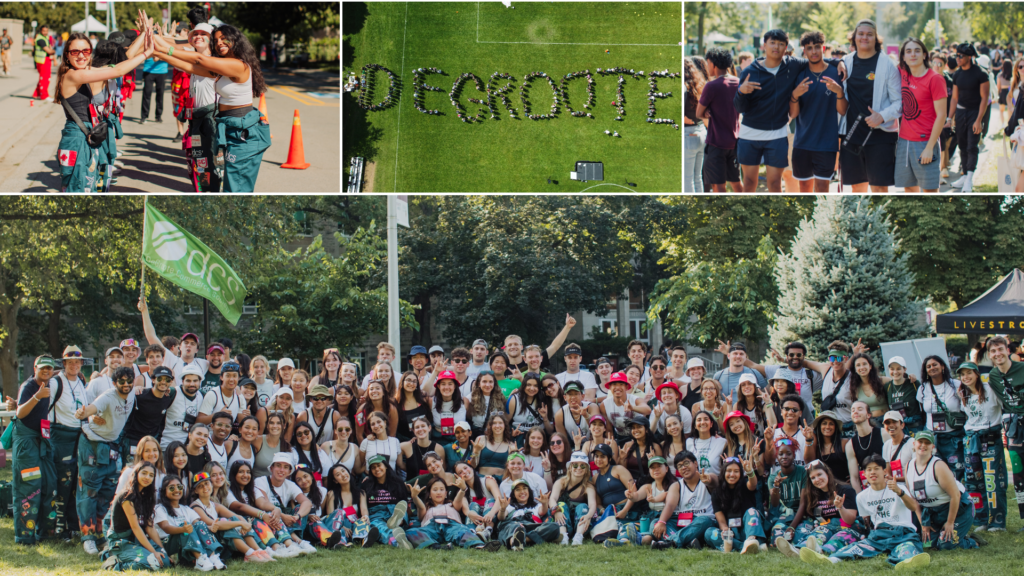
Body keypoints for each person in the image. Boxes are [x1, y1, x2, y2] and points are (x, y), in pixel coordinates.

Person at [168, 24, 270, 191]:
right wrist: (155, 52)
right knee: (203, 167)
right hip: (209, 122)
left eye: (223, 39)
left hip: (229, 125)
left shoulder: (233, 64)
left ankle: (212, 193)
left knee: (231, 184)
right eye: (216, 40)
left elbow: (198, 60)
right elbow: (191, 66)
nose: (219, 43)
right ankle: (206, 191)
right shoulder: (219, 65)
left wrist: (169, 50)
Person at [53, 25, 151, 192]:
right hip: (78, 138)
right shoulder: (73, 75)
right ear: (67, 55)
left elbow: (120, 61)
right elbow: (119, 70)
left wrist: (142, 35)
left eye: (86, 51)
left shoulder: (84, 71)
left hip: (85, 135)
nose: (81, 55)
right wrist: (147, 53)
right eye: (75, 52)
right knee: (78, 190)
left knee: (89, 187)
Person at [75, 365, 137, 552]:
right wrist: (84, 413)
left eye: (129, 381)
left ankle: (100, 533)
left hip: (112, 445)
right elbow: (92, 408)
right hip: (93, 444)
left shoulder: (134, 392)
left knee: (109, 490)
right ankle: (88, 536)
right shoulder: (108, 396)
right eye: (121, 382)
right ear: (114, 383)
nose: (126, 384)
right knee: (90, 491)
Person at [789, 30, 846, 192]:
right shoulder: (799, 74)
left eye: (817, 47)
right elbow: (793, 114)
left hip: (826, 143)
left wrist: (839, 93)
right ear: (804, 51)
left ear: (823, 48)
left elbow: (842, 111)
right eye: (809, 48)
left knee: (822, 189)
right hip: (802, 143)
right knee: (805, 189)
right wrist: (795, 95)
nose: (813, 51)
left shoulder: (836, 72)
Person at [11, 356, 59, 545]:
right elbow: (20, 413)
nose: (46, 371)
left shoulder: (49, 382)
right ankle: (25, 536)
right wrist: (37, 396)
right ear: (35, 368)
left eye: (50, 368)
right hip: (27, 443)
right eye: (43, 368)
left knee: (49, 484)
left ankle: (46, 532)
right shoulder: (30, 386)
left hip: (42, 440)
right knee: (29, 487)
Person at [905, 431, 980, 550]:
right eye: (920, 442)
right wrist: (924, 524)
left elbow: (955, 496)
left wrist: (950, 522)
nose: (923, 445)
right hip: (934, 512)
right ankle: (957, 534)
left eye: (927, 443)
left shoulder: (938, 466)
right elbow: (914, 501)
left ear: (933, 447)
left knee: (945, 545)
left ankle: (973, 541)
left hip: (958, 508)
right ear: (914, 444)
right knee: (928, 545)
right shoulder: (909, 466)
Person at [775, 460, 860, 558]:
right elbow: (815, 516)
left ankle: (819, 551)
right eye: (813, 478)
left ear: (827, 473)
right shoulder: (814, 494)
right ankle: (798, 550)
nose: (817, 479)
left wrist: (840, 507)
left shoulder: (845, 490)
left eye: (819, 474)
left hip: (848, 527)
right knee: (818, 531)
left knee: (836, 538)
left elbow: (851, 520)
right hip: (827, 526)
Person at [957, 361, 1006, 531]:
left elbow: (1003, 407)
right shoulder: (962, 393)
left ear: (977, 373)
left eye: (969, 373)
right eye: (962, 374)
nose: (966, 377)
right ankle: (981, 520)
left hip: (990, 438)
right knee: (974, 482)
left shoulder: (990, 389)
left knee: (993, 481)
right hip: (971, 441)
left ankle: (997, 521)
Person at [895, 38, 947, 192]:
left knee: (929, 191)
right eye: (908, 51)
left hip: (925, 142)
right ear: (903, 57)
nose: (913, 54)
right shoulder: (903, 72)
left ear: (925, 55)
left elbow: (941, 115)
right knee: (910, 189)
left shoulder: (935, 79)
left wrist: (930, 147)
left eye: (917, 50)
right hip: (904, 141)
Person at [100, 462, 173, 571]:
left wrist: (163, 551)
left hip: (138, 540)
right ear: (136, 474)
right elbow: (135, 527)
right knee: (151, 563)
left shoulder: (147, 497)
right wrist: (153, 552)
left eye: (151, 475)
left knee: (165, 562)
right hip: (122, 540)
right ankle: (113, 563)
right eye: (144, 473)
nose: (147, 477)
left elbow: (149, 527)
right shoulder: (127, 496)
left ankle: (136, 556)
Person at [984, 336, 1024, 528]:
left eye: (1000, 349)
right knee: (1019, 474)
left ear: (1008, 350)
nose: (997, 354)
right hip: (1014, 428)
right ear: (990, 355)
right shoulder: (993, 376)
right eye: (993, 351)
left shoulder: (1022, 369)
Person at [406, 476, 501, 551]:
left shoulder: (452, 504)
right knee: (411, 532)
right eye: (435, 490)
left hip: (452, 525)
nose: (438, 492)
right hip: (431, 526)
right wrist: (415, 497)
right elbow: (420, 507)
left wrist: (463, 489)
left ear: (446, 493)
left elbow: (458, 500)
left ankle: (480, 547)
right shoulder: (427, 507)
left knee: (464, 532)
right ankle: (435, 547)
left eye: (441, 489)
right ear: (430, 494)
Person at [695, 47, 742, 192]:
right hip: (735, 142)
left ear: (713, 63)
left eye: (708, 62)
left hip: (716, 143)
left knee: (718, 186)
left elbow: (698, 113)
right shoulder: (738, 82)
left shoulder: (711, 86)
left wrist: (706, 112)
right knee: (736, 183)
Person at [947, 43, 990, 191]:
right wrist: (949, 118)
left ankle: (969, 178)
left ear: (970, 57)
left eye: (960, 56)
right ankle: (964, 175)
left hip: (974, 112)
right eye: (956, 55)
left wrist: (979, 120)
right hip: (960, 113)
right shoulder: (957, 74)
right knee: (962, 145)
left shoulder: (981, 73)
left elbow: (985, 98)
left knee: (972, 146)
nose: (957, 58)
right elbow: (954, 98)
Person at [917, 355, 966, 481]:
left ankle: (958, 498)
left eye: (935, 365)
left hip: (953, 437)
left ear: (942, 366)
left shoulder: (955, 385)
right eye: (928, 366)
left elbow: (965, 407)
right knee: (935, 472)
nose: (932, 368)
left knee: (956, 472)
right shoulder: (923, 388)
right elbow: (923, 411)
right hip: (933, 438)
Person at [705, 454, 763, 553]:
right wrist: (725, 531)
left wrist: (749, 471)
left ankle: (749, 542)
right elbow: (722, 522)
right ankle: (746, 546)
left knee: (752, 512)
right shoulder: (716, 492)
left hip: (749, 531)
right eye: (729, 471)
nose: (732, 475)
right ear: (723, 472)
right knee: (709, 533)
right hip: (732, 532)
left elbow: (753, 484)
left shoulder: (745, 484)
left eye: (736, 471)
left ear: (740, 473)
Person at [359, 455, 413, 548]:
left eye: (379, 465)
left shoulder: (398, 482)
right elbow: (363, 505)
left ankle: (397, 522)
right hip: (376, 512)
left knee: (400, 510)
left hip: (395, 510)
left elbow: (403, 503)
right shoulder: (366, 484)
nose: (377, 469)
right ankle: (398, 540)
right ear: (370, 471)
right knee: (379, 527)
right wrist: (366, 516)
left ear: (386, 466)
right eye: (373, 467)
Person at [548, 451, 597, 545]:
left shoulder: (588, 487)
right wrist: (556, 510)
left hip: (580, 522)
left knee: (582, 506)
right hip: (563, 519)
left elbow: (592, 504)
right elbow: (552, 499)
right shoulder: (561, 482)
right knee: (560, 505)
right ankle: (563, 536)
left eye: (582, 466)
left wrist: (588, 516)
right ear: (570, 468)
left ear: (586, 470)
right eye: (575, 465)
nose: (578, 468)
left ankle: (578, 537)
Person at [844, 401, 888, 492]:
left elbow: (891, 464)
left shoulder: (884, 434)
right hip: (868, 489)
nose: (855, 412)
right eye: (853, 410)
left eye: (860, 409)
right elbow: (854, 478)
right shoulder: (850, 445)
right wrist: (860, 499)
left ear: (868, 415)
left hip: (888, 485)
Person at [684, 57, 706, 192]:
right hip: (701, 131)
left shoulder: (684, 87)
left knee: (687, 179)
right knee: (697, 177)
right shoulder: (699, 85)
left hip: (690, 134)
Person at [884, 356, 924, 433]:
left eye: (898, 369)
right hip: (897, 428)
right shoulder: (887, 386)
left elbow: (923, 404)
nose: (895, 372)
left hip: (915, 427)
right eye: (892, 369)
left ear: (904, 369)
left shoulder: (913, 383)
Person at [881, 410, 915, 489]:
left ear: (902, 425)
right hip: (894, 488)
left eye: (894, 422)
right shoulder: (886, 445)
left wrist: (893, 479)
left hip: (911, 487)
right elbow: (888, 470)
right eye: (888, 423)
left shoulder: (912, 443)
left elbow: (917, 473)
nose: (891, 425)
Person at [33, 25, 56, 100]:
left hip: (45, 60)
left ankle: (36, 94)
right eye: (44, 31)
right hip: (42, 61)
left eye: (46, 31)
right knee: (44, 78)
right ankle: (44, 96)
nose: (45, 32)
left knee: (44, 78)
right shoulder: (40, 39)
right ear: (40, 31)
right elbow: (49, 51)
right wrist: (54, 51)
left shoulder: (45, 38)